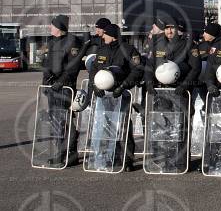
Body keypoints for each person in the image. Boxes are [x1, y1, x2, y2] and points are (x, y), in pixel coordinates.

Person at [89, 24, 144, 171]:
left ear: (112, 35)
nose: (102, 36)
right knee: (105, 127)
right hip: (103, 96)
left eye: (105, 34)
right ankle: (108, 157)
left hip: (121, 94)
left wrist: (124, 85)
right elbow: (93, 69)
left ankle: (127, 160)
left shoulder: (128, 50)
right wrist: (95, 85)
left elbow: (137, 70)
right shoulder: (101, 50)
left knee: (123, 127)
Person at [40, 14, 83, 166]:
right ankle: (62, 151)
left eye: (52, 25)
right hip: (52, 88)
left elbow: (73, 66)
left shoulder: (72, 42)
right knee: (56, 121)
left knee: (63, 119)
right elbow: (46, 64)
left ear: (59, 28)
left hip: (64, 88)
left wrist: (61, 82)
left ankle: (68, 152)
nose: (50, 27)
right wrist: (46, 82)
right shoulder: (52, 42)